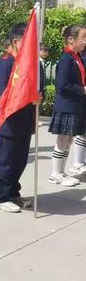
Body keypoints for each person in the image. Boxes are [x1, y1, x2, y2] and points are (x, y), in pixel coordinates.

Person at [0, 23, 38, 213]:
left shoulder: (26, 66)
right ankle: (0, 197)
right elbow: (3, 97)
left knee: (19, 161)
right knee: (5, 162)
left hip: (24, 123)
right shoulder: (5, 65)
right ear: (16, 42)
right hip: (8, 124)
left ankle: (12, 193)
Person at [48, 25, 86, 186]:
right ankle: (55, 173)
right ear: (71, 39)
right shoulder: (66, 59)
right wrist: (83, 89)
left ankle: (61, 172)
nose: (85, 42)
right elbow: (62, 86)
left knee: (68, 140)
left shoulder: (75, 58)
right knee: (62, 140)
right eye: (83, 38)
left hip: (74, 106)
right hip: (66, 106)